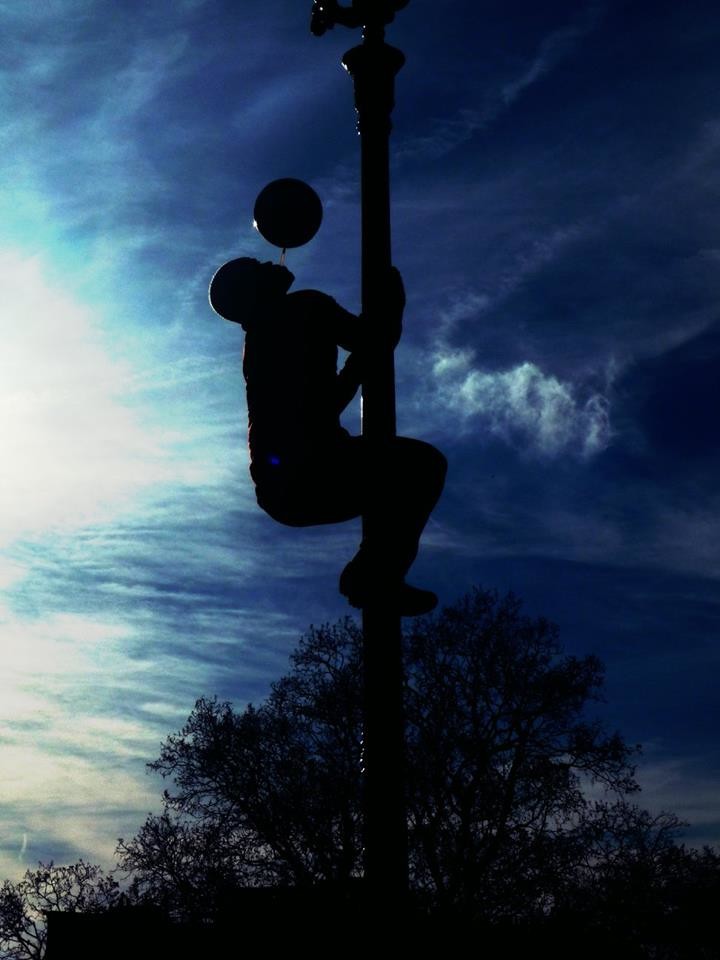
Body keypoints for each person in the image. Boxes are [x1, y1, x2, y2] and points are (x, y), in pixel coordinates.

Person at [209, 257, 446, 616]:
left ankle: (373, 574)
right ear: (251, 288)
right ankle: (372, 575)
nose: (270, 262)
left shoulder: (260, 341)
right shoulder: (302, 308)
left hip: (283, 488)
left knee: (394, 481)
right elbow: (374, 344)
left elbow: (332, 392)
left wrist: (366, 351)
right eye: (257, 266)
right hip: (308, 472)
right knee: (421, 467)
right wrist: (391, 309)